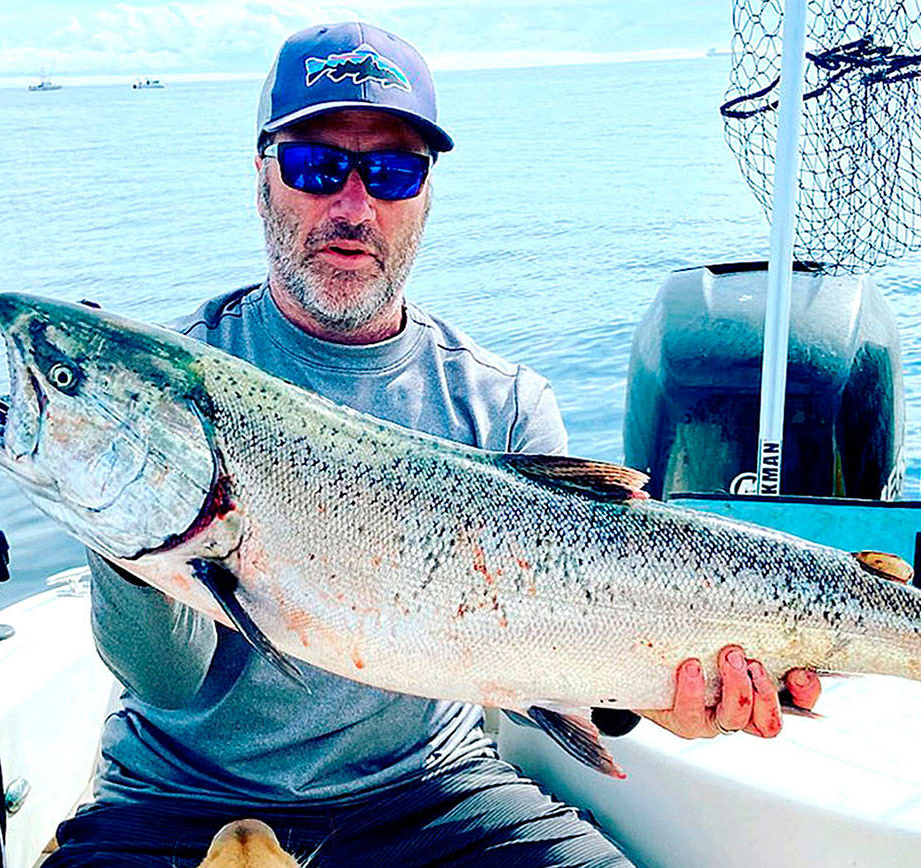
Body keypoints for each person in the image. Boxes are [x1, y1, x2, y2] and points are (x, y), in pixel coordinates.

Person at [44, 22, 821, 867]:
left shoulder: (503, 405)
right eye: (315, 166)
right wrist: (122, 523)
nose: (351, 206)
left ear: (425, 193)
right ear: (261, 177)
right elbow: (163, 676)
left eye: (391, 171)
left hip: (436, 796)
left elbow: (560, 654)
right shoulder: (174, 390)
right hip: (175, 800)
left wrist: (665, 695)